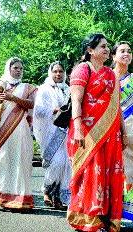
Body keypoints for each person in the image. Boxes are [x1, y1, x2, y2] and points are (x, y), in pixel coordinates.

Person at [67, 33, 125, 232]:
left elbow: (117, 107)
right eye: (102, 46)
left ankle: (106, 218)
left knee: (110, 174)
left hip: (111, 134)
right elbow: (76, 101)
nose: (107, 49)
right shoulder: (82, 69)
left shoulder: (111, 74)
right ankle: (87, 218)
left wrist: (123, 133)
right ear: (90, 50)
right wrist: (78, 129)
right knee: (90, 174)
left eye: (108, 46)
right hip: (88, 132)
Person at [0, 57, 36, 210]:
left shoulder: (28, 87)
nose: (19, 70)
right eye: (15, 68)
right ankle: (2, 197)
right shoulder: (0, 84)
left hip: (20, 129)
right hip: (2, 128)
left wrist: (13, 98)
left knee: (21, 160)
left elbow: (32, 104)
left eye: (21, 68)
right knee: (2, 160)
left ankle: (21, 199)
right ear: (9, 69)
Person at [33, 61, 71, 209]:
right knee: (56, 163)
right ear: (51, 72)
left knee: (65, 165)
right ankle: (47, 190)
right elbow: (38, 111)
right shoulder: (44, 89)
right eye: (55, 71)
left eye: (61, 71)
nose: (58, 74)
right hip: (50, 132)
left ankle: (58, 198)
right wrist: (53, 110)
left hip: (66, 132)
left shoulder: (68, 89)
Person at [112, 41, 133, 222]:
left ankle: (128, 212)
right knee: (113, 170)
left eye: (129, 51)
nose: (126, 54)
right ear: (113, 56)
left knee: (130, 171)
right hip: (111, 131)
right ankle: (112, 212)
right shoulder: (107, 78)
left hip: (132, 132)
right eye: (122, 51)